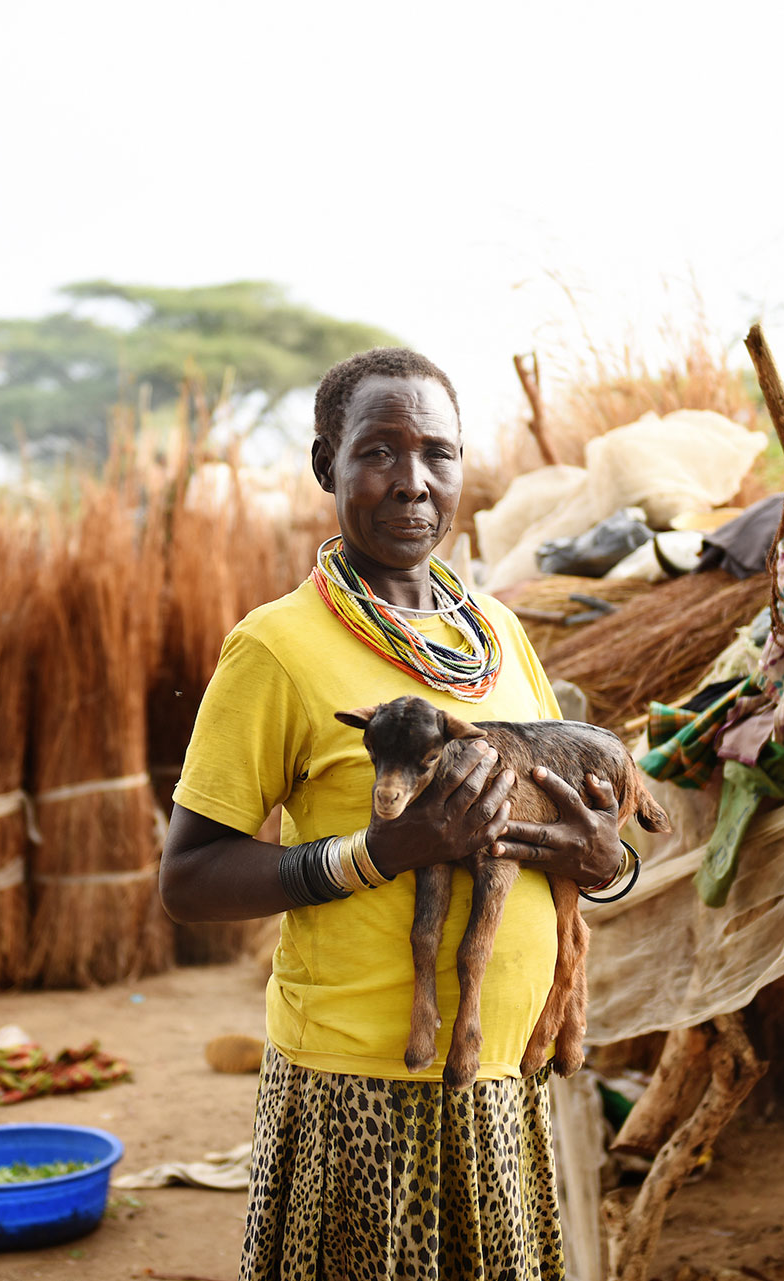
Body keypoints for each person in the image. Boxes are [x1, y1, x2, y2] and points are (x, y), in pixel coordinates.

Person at [160, 348, 625, 1279]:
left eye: (438, 453)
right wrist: (382, 852)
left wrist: (604, 859)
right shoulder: (279, 649)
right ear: (326, 463)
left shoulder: (498, 634)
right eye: (379, 450)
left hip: (503, 1086)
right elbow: (190, 879)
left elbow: (589, 843)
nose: (413, 481)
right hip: (363, 1095)